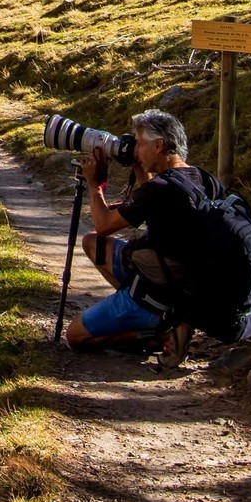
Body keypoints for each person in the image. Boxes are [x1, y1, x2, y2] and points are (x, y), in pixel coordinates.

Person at [63, 107, 207, 351]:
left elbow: (104, 225)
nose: (135, 150)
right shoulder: (195, 177)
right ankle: (159, 315)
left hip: (157, 290)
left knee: (74, 335)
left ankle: (154, 332)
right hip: (180, 281)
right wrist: (139, 167)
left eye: (139, 144)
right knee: (92, 243)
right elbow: (152, 203)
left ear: (159, 146)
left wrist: (94, 183)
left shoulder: (160, 189)